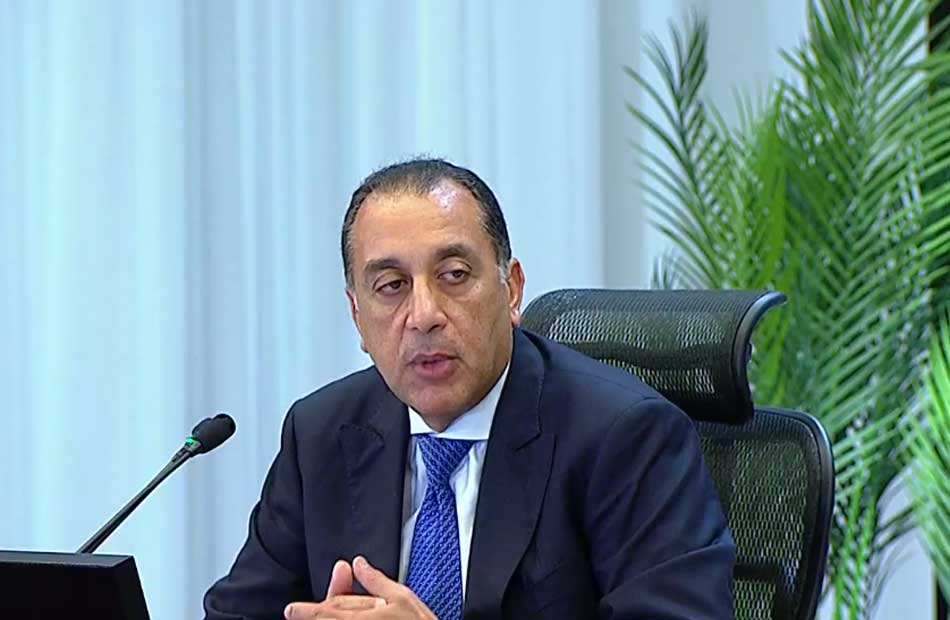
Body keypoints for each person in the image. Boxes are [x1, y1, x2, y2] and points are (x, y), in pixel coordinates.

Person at [203, 158, 735, 620]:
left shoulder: (625, 438)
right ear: (357, 315)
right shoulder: (321, 433)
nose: (424, 315)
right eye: (391, 286)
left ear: (512, 290)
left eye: (454, 275)